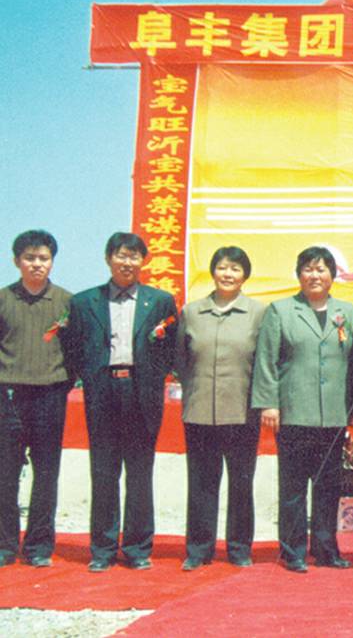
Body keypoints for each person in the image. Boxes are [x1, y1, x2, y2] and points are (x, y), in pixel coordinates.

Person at [63, 232, 178, 572]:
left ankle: (138, 548)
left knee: (140, 472)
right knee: (103, 471)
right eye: (121, 255)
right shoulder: (85, 302)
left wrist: (154, 377)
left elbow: (170, 347)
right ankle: (102, 549)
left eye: (134, 256)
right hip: (102, 391)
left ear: (143, 261)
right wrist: (90, 375)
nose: (127, 262)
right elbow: (73, 347)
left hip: (142, 392)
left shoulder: (160, 301)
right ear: (108, 258)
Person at [251, 246, 353, 573]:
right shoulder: (281, 310)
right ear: (299, 275)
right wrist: (269, 403)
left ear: (333, 275)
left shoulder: (348, 312)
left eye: (321, 269)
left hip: (334, 414)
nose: (315, 275)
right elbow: (266, 360)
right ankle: (293, 550)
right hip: (294, 412)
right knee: (293, 487)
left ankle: (326, 549)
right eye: (308, 269)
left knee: (328, 486)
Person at [175, 247, 266, 571]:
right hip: (199, 410)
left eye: (235, 269)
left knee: (241, 483)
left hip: (242, 412)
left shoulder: (258, 313)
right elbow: (180, 359)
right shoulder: (192, 312)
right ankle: (199, 549)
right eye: (223, 268)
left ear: (245, 276)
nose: (228, 274)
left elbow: (264, 361)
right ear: (213, 271)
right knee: (201, 483)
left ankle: (239, 548)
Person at [0, 230, 73, 568]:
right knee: (5, 472)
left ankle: (39, 545)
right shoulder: (3, 300)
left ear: (52, 261)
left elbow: (75, 350)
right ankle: (5, 544)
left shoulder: (66, 302)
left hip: (50, 394)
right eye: (29, 258)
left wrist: (60, 383)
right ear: (17, 261)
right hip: (8, 396)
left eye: (43, 258)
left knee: (46, 473)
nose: (37, 264)